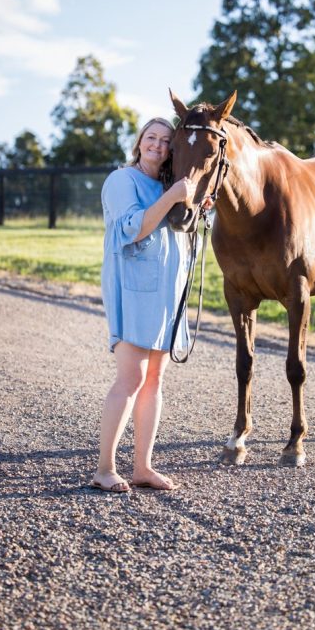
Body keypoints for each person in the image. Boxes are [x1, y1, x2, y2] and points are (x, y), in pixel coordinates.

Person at [90, 117, 209, 493]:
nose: (157, 145)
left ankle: (143, 466)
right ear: (140, 142)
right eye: (151, 138)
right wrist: (173, 196)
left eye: (165, 140)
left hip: (166, 294)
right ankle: (105, 468)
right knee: (130, 379)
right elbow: (132, 228)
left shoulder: (167, 185)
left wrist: (194, 207)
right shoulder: (121, 180)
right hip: (134, 290)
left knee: (154, 380)